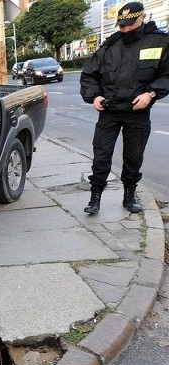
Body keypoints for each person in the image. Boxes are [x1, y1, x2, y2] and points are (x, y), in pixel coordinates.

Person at [80, 1, 169, 215]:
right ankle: (95, 197)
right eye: (121, 26)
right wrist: (95, 96)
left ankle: (129, 195)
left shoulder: (160, 42)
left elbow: (167, 75)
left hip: (137, 113)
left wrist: (151, 94)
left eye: (130, 25)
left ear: (143, 18)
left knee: (133, 157)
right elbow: (89, 75)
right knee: (101, 156)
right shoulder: (110, 46)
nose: (125, 30)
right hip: (109, 112)